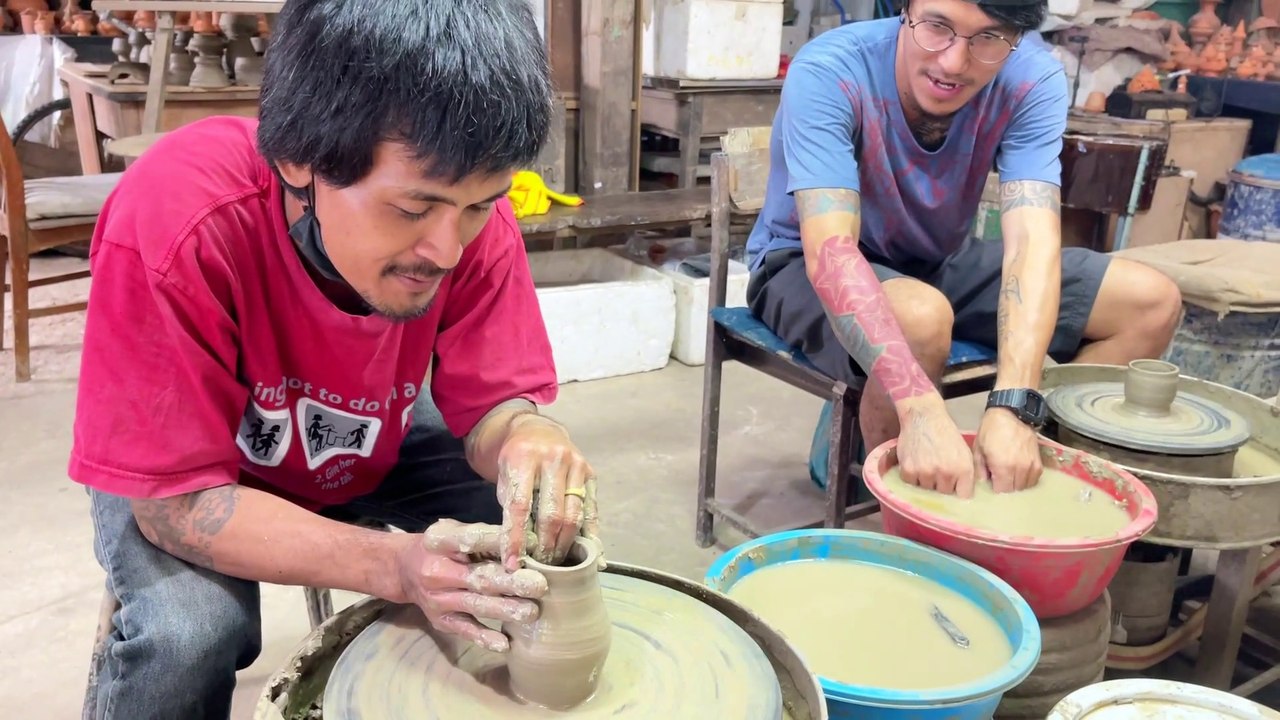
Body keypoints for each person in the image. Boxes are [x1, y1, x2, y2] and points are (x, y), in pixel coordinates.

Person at [69, 1, 598, 718]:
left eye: (478, 207)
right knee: (188, 633)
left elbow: (496, 403)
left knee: (525, 546)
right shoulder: (176, 218)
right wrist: (395, 566)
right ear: (300, 159)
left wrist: (531, 437)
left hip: (363, 428)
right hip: (193, 459)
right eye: (412, 210)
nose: (448, 249)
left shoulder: (469, 215)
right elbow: (173, 506)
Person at [746, 0, 1183, 499]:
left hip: (938, 260)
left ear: (1018, 34)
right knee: (920, 319)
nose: (954, 63)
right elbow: (831, 249)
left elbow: (1032, 239)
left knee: (1149, 303)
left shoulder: (1031, 78)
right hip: (801, 260)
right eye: (937, 27)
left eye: (989, 38)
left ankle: (1034, 489)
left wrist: (1016, 403)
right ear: (905, 8)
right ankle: (895, 519)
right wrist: (921, 410)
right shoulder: (832, 70)